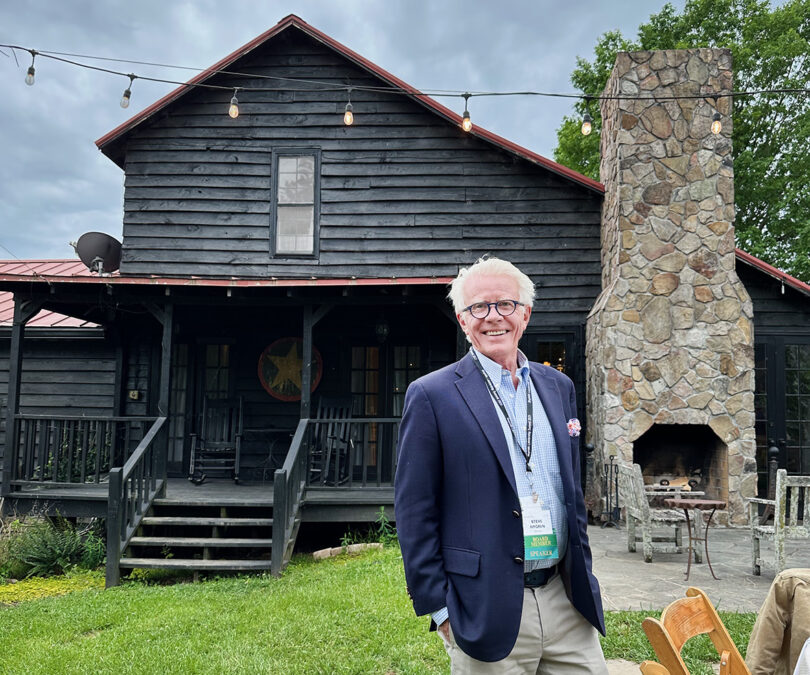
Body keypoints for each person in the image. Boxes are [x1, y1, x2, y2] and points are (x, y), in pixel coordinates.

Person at [394, 257, 607, 673]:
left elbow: (571, 492)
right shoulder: (432, 396)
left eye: (505, 304)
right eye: (479, 307)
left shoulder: (558, 386)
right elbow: (414, 510)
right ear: (462, 319)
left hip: (566, 601)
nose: (493, 317)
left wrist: (585, 576)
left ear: (525, 314)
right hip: (484, 605)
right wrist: (440, 610)